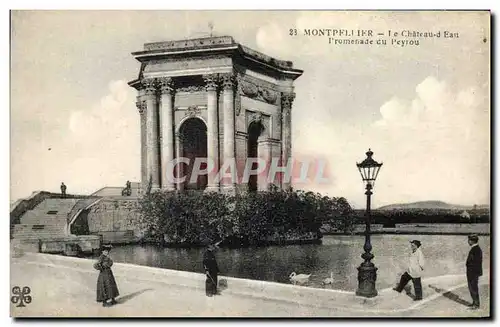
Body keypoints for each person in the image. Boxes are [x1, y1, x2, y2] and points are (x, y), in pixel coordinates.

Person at [466, 234, 483, 310]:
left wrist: (472, 272)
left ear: (472, 241)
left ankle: (476, 304)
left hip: (473, 273)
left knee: (473, 288)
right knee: (472, 288)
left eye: (469, 240)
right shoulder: (476, 249)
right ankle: (474, 302)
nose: (468, 242)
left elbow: (475, 262)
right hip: (473, 272)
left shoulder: (475, 249)